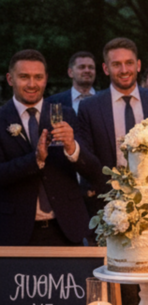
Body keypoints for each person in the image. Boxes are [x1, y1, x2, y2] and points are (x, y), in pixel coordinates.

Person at [0, 50, 100, 246]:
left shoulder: (66, 115)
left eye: (38, 77)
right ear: (10, 79)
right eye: (24, 77)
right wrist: (35, 160)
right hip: (15, 231)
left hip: (66, 229)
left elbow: (94, 170)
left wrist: (73, 149)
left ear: (46, 79)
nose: (32, 84)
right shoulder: (1, 118)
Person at [76, 38, 148, 215]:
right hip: (107, 203)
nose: (124, 70)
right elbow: (86, 158)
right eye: (116, 64)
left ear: (138, 65)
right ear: (106, 69)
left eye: (129, 63)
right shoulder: (89, 107)